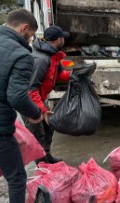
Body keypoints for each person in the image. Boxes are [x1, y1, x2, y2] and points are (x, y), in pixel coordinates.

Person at [0, 9, 43, 203]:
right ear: (24, 28)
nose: (30, 40)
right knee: (16, 179)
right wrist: (35, 113)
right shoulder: (21, 55)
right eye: (31, 35)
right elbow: (16, 97)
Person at [22, 25, 71, 164]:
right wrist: (42, 110)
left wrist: (74, 76)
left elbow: (59, 74)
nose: (64, 41)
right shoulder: (42, 59)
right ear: (58, 40)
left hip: (38, 98)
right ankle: (43, 169)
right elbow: (30, 89)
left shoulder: (53, 55)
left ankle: (46, 157)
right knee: (38, 134)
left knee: (50, 126)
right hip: (28, 100)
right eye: (63, 38)